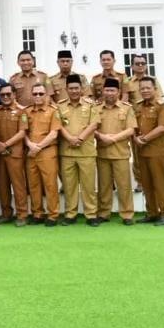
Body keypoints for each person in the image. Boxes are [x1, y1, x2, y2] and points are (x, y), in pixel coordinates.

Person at [93, 78, 137, 225]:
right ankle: (104, 213)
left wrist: (113, 139)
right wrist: (101, 136)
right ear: (102, 91)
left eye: (112, 90)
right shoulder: (96, 108)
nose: (109, 93)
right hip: (102, 153)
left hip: (120, 153)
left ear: (118, 92)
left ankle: (127, 214)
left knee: (124, 185)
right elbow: (92, 128)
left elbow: (131, 129)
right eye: (107, 90)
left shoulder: (126, 108)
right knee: (104, 185)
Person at [58, 74, 100, 226]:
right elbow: (59, 126)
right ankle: (70, 214)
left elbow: (94, 124)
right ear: (66, 89)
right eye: (71, 88)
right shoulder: (60, 106)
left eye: (77, 88)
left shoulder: (90, 105)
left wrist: (80, 138)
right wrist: (70, 138)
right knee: (69, 186)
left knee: (88, 185)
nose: (74, 91)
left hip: (86, 151)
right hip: (67, 152)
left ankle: (91, 214)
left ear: (82, 89)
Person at [134, 77, 164, 226]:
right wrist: (136, 138)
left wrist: (144, 139)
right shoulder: (137, 107)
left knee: (160, 183)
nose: (144, 91)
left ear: (155, 89)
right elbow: (134, 126)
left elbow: (163, 127)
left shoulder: (161, 106)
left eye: (147, 88)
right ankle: (152, 213)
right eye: (142, 88)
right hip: (142, 151)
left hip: (157, 151)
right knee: (146, 183)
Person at [24, 82, 62, 226]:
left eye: (41, 93)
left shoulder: (53, 111)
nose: (38, 96)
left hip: (47, 151)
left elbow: (54, 133)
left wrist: (38, 147)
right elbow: (24, 133)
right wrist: (29, 145)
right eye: (35, 94)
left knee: (50, 184)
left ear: (46, 95)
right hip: (31, 151)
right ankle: (37, 213)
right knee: (34, 184)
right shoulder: (27, 112)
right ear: (31, 95)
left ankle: (53, 214)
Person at [126, 53, 164, 193]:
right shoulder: (128, 82)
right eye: (137, 63)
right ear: (132, 66)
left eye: (143, 63)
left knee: (155, 153)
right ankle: (141, 182)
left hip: (153, 122)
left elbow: (159, 100)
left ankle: (155, 180)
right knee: (137, 155)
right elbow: (126, 102)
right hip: (136, 122)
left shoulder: (153, 81)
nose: (140, 66)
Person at [0, 83, 29, 226]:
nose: (6, 97)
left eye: (8, 94)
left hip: (15, 153)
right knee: (2, 185)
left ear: (14, 94)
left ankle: (22, 214)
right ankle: (6, 213)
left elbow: (22, 132)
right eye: (2, 95)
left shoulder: (22, 111)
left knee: (18, 185)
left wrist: (5, 144)